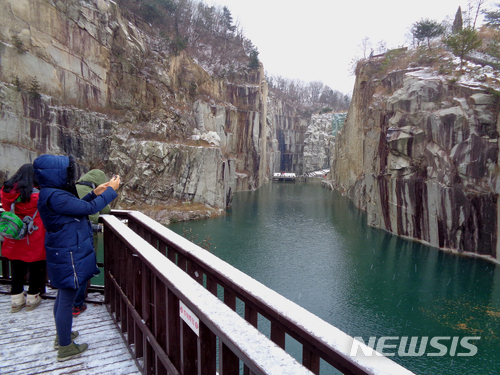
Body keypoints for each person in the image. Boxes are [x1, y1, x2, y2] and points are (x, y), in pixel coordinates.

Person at [33, 155, 120, 362]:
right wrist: (111, 191)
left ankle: (61, 335)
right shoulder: (55, 196)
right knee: (66, 298)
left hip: (63, 249)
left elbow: (77, 207)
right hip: (68, 252)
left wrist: (94, 193)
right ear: (56, 174)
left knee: (64, 295)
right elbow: (88, 210)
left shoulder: (51, 194)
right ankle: (65, 347)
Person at [1, 164, 46, 313]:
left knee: (16, 267)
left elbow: (8, 208)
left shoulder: (8, 193)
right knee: (35, 267)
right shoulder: (39, 195)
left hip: (15, 234)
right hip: (35, 234)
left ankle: (16, 300)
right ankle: (32, 298)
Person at [72, 169, 111, 317]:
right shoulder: (93, 193)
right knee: (83, 271)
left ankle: (67, 301)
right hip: (85, 238)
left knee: (71, 269)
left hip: (67, 238)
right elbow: (106, 209)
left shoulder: (70, 189)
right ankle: (77, 304)